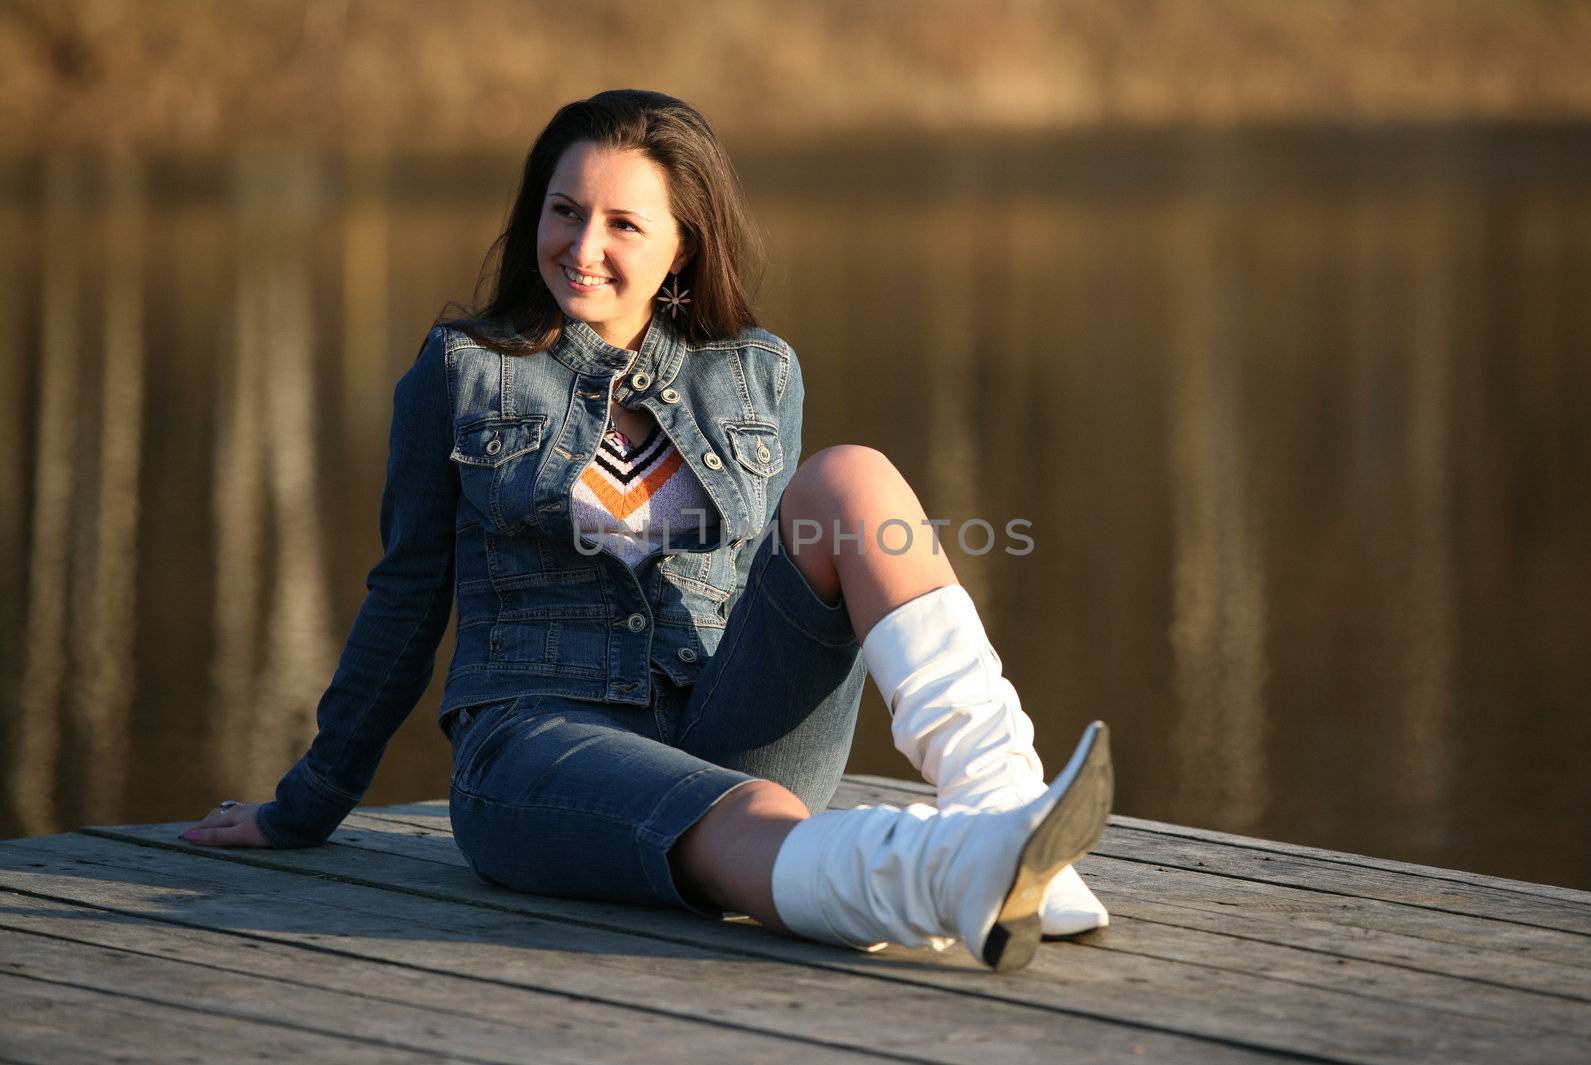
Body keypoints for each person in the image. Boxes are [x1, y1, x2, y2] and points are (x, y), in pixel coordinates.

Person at [179, 88, 1113, 972]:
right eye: (564, 211)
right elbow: (405, 598)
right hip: (539, 741)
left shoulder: (758, 373)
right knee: (750, 812)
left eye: (624, 223)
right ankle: (953, 879)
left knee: (853, 479)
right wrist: (309, 802)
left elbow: (772, 590)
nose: (584, 246)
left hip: (726, 718)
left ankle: (1008, 816)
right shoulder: (464, 370)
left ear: (683, 248)